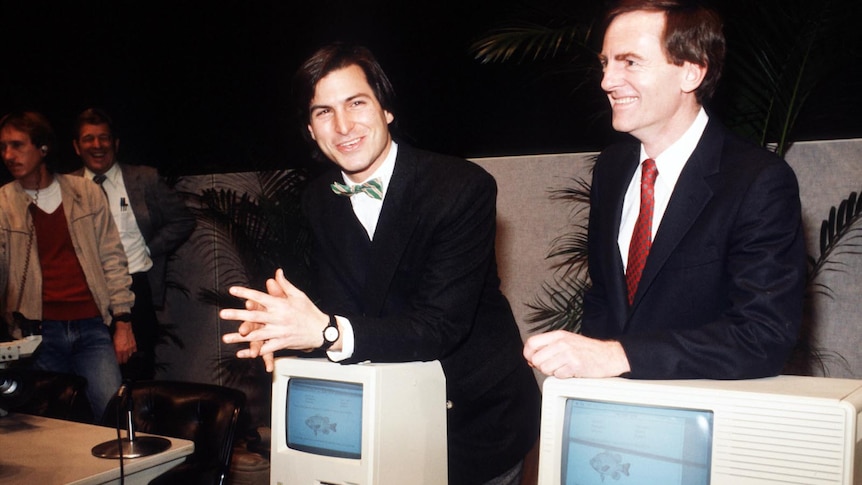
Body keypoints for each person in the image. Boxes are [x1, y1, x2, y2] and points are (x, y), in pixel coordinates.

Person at [220, 43, 541, 485]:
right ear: (311, 131)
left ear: (386, 109)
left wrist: (326, 330)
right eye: (323, 112)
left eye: (356, 103)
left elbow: (438, 326)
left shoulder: (461, 187)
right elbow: (352, 310)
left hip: (477, 419)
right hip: (392, 418)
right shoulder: (318, 199)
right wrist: (284, 327)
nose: (344, 126)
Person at [524, 0, 806, 380]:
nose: (607, 81)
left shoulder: (757, 181)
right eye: (606, 63)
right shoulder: (612, 168)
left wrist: (617, 356)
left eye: (630, 62)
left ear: (691, 72)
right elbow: (605, 299)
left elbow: (762, 337)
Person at [0, 111, 135, 421]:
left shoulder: (85, 193)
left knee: (112, 416)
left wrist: (123, 323)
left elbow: (112, 258)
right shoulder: (5, 204)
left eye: (18, 145)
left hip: (91, 326)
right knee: (52, 427)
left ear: (43, 148)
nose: (8, 155)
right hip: (38, 333)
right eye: (4, 146)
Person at [71, 108, 196, 380]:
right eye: (88, 139)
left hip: (135, 288)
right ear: (76, 147)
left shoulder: (144, 179)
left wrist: (149, 249)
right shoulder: (67, 189)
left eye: (103, 138)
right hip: (84, 295)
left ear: (115, 143)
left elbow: (182, 220)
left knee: (137, 377)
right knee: (86, 377)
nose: (97, 145)